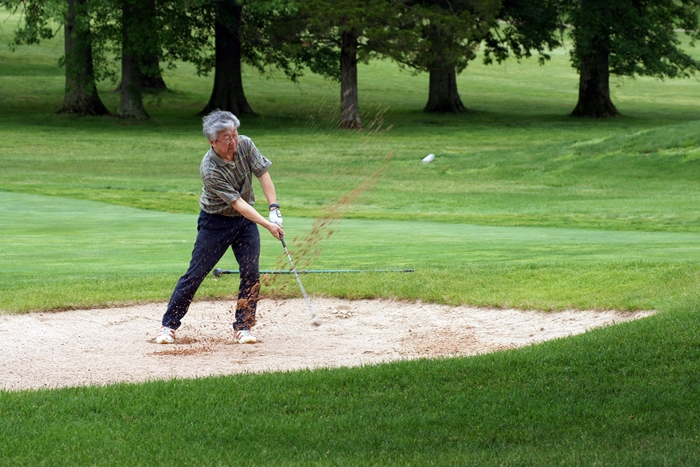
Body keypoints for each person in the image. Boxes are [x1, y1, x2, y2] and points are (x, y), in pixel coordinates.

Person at [156, 110, 284, 345]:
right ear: (212, 142)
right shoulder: (209, 168)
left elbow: (263, 175)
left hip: (245, 222)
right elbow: (238, 203)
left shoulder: (245, 144)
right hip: (215, 222)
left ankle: (243, 327)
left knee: (251, 273)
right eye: (227, 138)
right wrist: (267, 224)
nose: (233, 141)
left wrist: (274, 208)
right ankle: (168, 326)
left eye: (234, 134)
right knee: (196, 274)